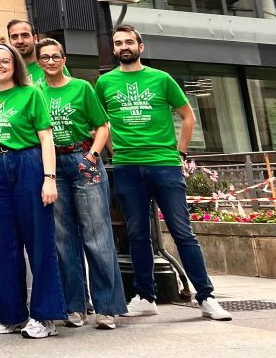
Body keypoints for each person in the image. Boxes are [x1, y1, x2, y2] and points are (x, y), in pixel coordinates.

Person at [96, 25, 231, 321]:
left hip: (164, 164)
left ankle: (206, 297)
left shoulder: (161, 78)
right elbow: (100, 122)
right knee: (137, 234)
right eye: (118, 43)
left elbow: (187, 116)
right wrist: (114, 151)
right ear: (114, 49)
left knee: (182, 231)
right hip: (128, 167)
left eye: (129, 41)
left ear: (140, 47)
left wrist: (180, 153)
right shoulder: (104, 83)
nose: (123, 46)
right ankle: (146, 296)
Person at [36, 38, 125, 329]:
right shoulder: (36, 92)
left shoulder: (82, 87)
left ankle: (107, 307)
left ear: (64, 59)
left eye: (55, 56)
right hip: (54, 165)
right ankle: (75, 306)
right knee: (63, 240)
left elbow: (102, 126)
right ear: (38, 62)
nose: (51, 61)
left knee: (96, 235)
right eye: (45, 57)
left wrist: (92, 156)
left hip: (82, 158)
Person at [0, 44, 65, 338]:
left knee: (39, 240)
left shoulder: (32, 93)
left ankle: (45, 316)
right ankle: (12, 314)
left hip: (28, 162)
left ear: (15, 64)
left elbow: (46, 138)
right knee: (1, 245)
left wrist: (49, 178)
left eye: (4, 61)